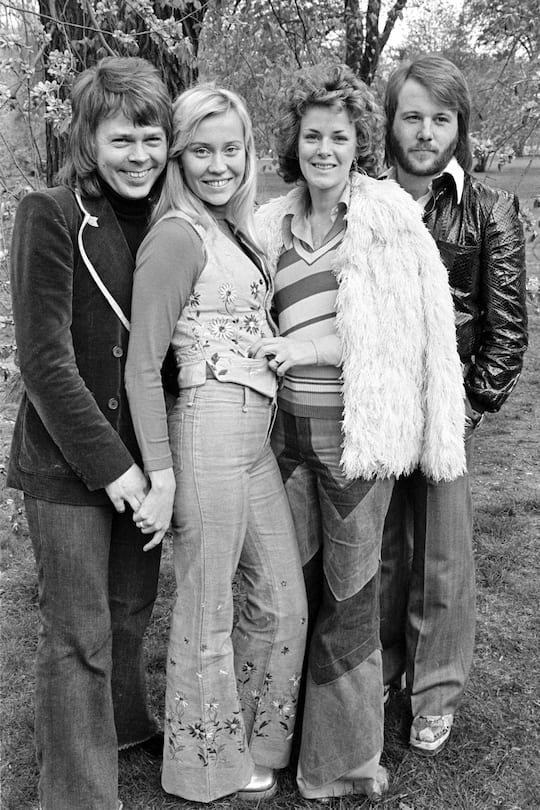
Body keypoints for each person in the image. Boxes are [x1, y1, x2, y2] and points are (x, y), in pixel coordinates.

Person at [250, 63, 467, 801]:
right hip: (280, 445)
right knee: (284, 597)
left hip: (356, 447)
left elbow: (394, 338)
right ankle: (271, 745)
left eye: (339, 136)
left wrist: (308, 350)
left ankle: (339, 765)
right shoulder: (267, 223)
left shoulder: (384, 220)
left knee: (349, 604)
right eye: (311, 135)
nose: (324, 149)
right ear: (295, 141)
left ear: (358, 142)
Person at [124, 84, 308, 804]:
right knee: (207, 606)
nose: (218, 163)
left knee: (284, 597)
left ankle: (257, 742)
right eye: (201, 150)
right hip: (203, 428)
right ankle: (202, 768)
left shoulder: (233, 229)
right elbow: (143, 364)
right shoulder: (176, 234)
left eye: (231, 149)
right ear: (179, 155)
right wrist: (161, 475)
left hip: (252, 434)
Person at [7, 57, 173, 810]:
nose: (140, 154)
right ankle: (76, 791)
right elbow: (43, 361)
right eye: (121, 138)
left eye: (151, 136)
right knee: (78, 632)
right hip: (70, 462)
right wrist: (116, 470)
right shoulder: (52, 211)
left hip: (149, 456)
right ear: (87, 140)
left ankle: (125, 725)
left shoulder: (176, 220)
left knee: (129, 612)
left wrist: (157, 468)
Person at [380, 54, 528, 756]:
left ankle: (434, 689)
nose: (426, 131)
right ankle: (376, 668)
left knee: (441, 557)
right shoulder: (364, 197)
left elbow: (506, 335)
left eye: (441, 118)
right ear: (391, 121)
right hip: (373, 405)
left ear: (459, 125)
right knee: (375, 554)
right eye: (412, 115)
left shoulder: (490, 207)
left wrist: (461, 414)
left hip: (445, 409)